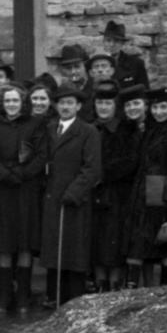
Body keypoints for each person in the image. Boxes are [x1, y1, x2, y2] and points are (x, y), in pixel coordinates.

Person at [0, 83, 48, 313]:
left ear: (23, 103)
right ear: (1, 103)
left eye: (15, 101)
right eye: (7, 101)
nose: (11, 105)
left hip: (25, 188)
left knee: (24, 243)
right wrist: (3, 175)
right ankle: (4, 294)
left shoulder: (35, 124)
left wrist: (20, 174)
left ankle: (23, 296)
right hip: (1, 188)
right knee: (4, 243)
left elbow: (41, 155)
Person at [39, 85, 102, 306]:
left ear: (78, 106)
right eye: (61, 103)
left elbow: (92, 168)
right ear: (55, 105)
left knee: (73, 250)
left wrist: (73, 192)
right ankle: (54, 298)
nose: (65, 107)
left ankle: (73, 301)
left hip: (73, 201)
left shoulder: (87, 131)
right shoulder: (49, 128)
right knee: (54, 248)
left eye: (70, 103)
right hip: (51, 198)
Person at [125, 86, 167, 286]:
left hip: (163, 192)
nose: (159, 112)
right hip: (142, 192)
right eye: (155, 107)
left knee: (166, 242)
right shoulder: (149, 128)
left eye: (164, 107)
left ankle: (165, 291)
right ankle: (133, 290)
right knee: (139, 243)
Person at [89, 82, 140, 292]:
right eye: (100, 103)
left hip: (119, 194)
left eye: (107, 103)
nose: (103, 107)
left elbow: (131, 160)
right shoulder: (90, 129)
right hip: (94, 193)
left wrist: (103, 174)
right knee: (97, 241)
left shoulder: (127, 129)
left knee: (115, 241)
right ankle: (100, 285)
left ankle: (115, 285)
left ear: (115, 105)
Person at [103, 21, 149, 91]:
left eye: (116, 41)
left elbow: (144, 92)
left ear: (122, 44)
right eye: (108, 40)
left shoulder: (136, 64)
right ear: (103, 42)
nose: (112, 45)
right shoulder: (96, 65)